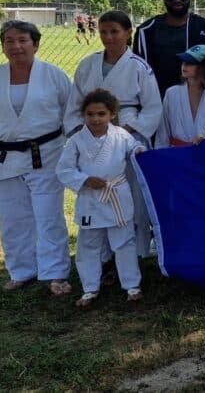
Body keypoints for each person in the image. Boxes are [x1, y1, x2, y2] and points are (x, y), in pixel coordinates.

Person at [0, 21, 72, 296]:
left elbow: (69, 113)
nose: (16, 46)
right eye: (9, 41)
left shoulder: (54, 75)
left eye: (22, 40)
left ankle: (56, 272)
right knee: (12, 218)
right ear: (3, 45)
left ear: (35, 43)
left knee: (48, 216)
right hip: (4, 156)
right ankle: (21, 270)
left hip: (46, 153)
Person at [66, 10, 163, 259]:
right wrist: (82, 133)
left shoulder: (140, 67)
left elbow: (153, 107)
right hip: (93, 135)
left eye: (114, 32)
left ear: (128, 33)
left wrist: (128, 130)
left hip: (128, 134)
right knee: (99, 190)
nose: (108, 38)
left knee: (131, 193)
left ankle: (137, 251)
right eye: (103, 32)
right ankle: (104, 255)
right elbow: (76, 103)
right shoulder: (88, 65)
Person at [56, 89, 146, 306]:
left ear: (112, 114)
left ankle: (132, 285)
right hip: (91, 197)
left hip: (116, 194)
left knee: (124, 242)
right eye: (90, 114)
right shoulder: (77, 140)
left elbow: (134, 147)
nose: (95, 119)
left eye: (101, 114)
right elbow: (64, 170)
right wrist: (84, 180)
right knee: (88, 244)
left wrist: (140, 150)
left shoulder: (122, 136)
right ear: (83, 115)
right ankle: (89, 288)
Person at [134, 0, 205, 96]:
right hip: (158, 101)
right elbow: (139, 71)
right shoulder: (146, 31)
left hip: (198, 101)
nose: (177, 0)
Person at [155, 44, 205, 148]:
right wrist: (160, 155)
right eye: (183, 61)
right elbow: (163, 131)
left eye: (190, 63)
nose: (184, 65)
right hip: (176, 154)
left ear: (204, 66)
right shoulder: (172, 93)